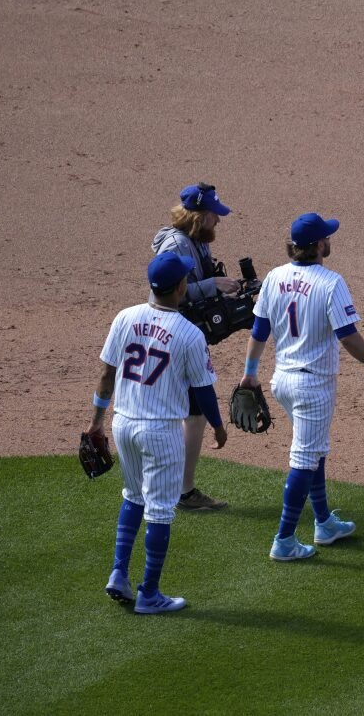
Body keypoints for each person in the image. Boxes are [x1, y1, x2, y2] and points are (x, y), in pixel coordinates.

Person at [239, 213, 364, 561]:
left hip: (283, 382)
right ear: (319, 245)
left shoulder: (274, 277)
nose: (329, 241)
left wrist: (250, 372)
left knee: (314, 449)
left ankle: (323, 522)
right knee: (305, 458)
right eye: (327, 237)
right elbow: (348, 336)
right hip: (313, 387)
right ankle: (284, 540)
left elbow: (259, 330)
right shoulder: (330, 282)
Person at [88, 252, 228, 614]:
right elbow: (203, 390)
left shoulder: (125, 317)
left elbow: (106, 376)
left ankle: (118, 573)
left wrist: (96, 421)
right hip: (161, 431)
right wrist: (217, 425)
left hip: (123, 422)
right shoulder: (189, 334)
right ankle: (149, 594)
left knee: (133, 497)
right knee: (161, 511)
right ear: (181, 287)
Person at [152, 182, 239, 511]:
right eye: (214, 215)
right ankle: (182, 492)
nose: (219, 220)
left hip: (182, 334)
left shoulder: (195, 242)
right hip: (172, 337)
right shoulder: (176, 245)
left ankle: (178, 488)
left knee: (190, 413)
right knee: (193, 412)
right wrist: (213, 284)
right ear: (200, 217)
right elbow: (171, 291)